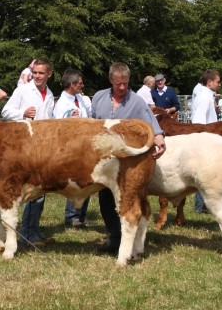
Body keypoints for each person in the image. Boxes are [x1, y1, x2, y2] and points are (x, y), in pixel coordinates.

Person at [90, 62, 166, 255]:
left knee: (128, 199)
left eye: (125, 82)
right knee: (106, 199)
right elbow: (91, 125)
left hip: (128, 162)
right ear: (111, 80)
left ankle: (131, 238)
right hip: (104, 160)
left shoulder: (137, 102)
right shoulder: (98, 97)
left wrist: (159, 139)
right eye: (118, 83)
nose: (122, 87)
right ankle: (114, 237)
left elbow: (152, 124)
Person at [3, 58, 55, 247]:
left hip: (43, 147)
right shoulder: (23, 90)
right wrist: (22, 114)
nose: (37, 76)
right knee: (31, 190)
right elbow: (5, 111)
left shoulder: (50, 94)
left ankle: (34, 229)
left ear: (49, 74)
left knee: (41, 189)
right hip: (25, 147)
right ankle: (26, 232)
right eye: (35, 73)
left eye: (41, 73)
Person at [54, 69, 92, 227]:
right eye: (80, 83)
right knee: (76, 182)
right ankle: (72, 216)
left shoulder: (81, 99)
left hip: (85, 146)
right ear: (72, 84)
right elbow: (58, 127)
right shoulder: (61, 104)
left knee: (87, 182)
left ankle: (81, 215)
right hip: (71, 148)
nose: (82, 85)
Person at [190, 69, 221, 213]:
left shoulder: (206, 95)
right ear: (210, 82)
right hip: (205, 140)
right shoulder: (204, 97)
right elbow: (199, 123)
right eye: (217, 82)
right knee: (203, 173)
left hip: (208, 138)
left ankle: (204, 205)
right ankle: (201, 206)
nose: (219, 84)